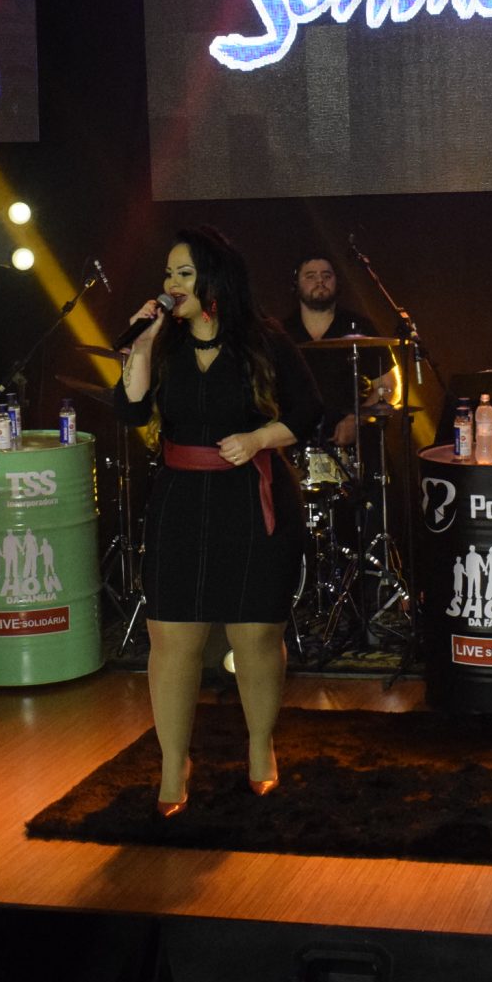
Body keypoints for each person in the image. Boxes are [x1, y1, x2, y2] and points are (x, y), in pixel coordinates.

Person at [115, 226, 322, 815]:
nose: (171, 284)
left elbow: (309, 411)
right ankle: (172, 763)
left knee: (255, 635)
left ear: (214, 279)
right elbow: (130, 409)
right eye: (168, 274)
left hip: (251, 496)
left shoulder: (264, 339)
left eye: (184, 273)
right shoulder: (164, 342)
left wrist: (258, 438)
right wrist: (143, 344)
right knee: (172, 638)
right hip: (181, 498)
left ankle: (260, 745)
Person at [279, 253, 395, 448]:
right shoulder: (281, 332)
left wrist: (356, 419)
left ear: (336, 282)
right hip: (295, 443)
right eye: (310, 276)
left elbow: (388, 386)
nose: (320, 281)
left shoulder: (360, 327)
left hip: (353, 446)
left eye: (327, 275)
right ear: (296, 284)